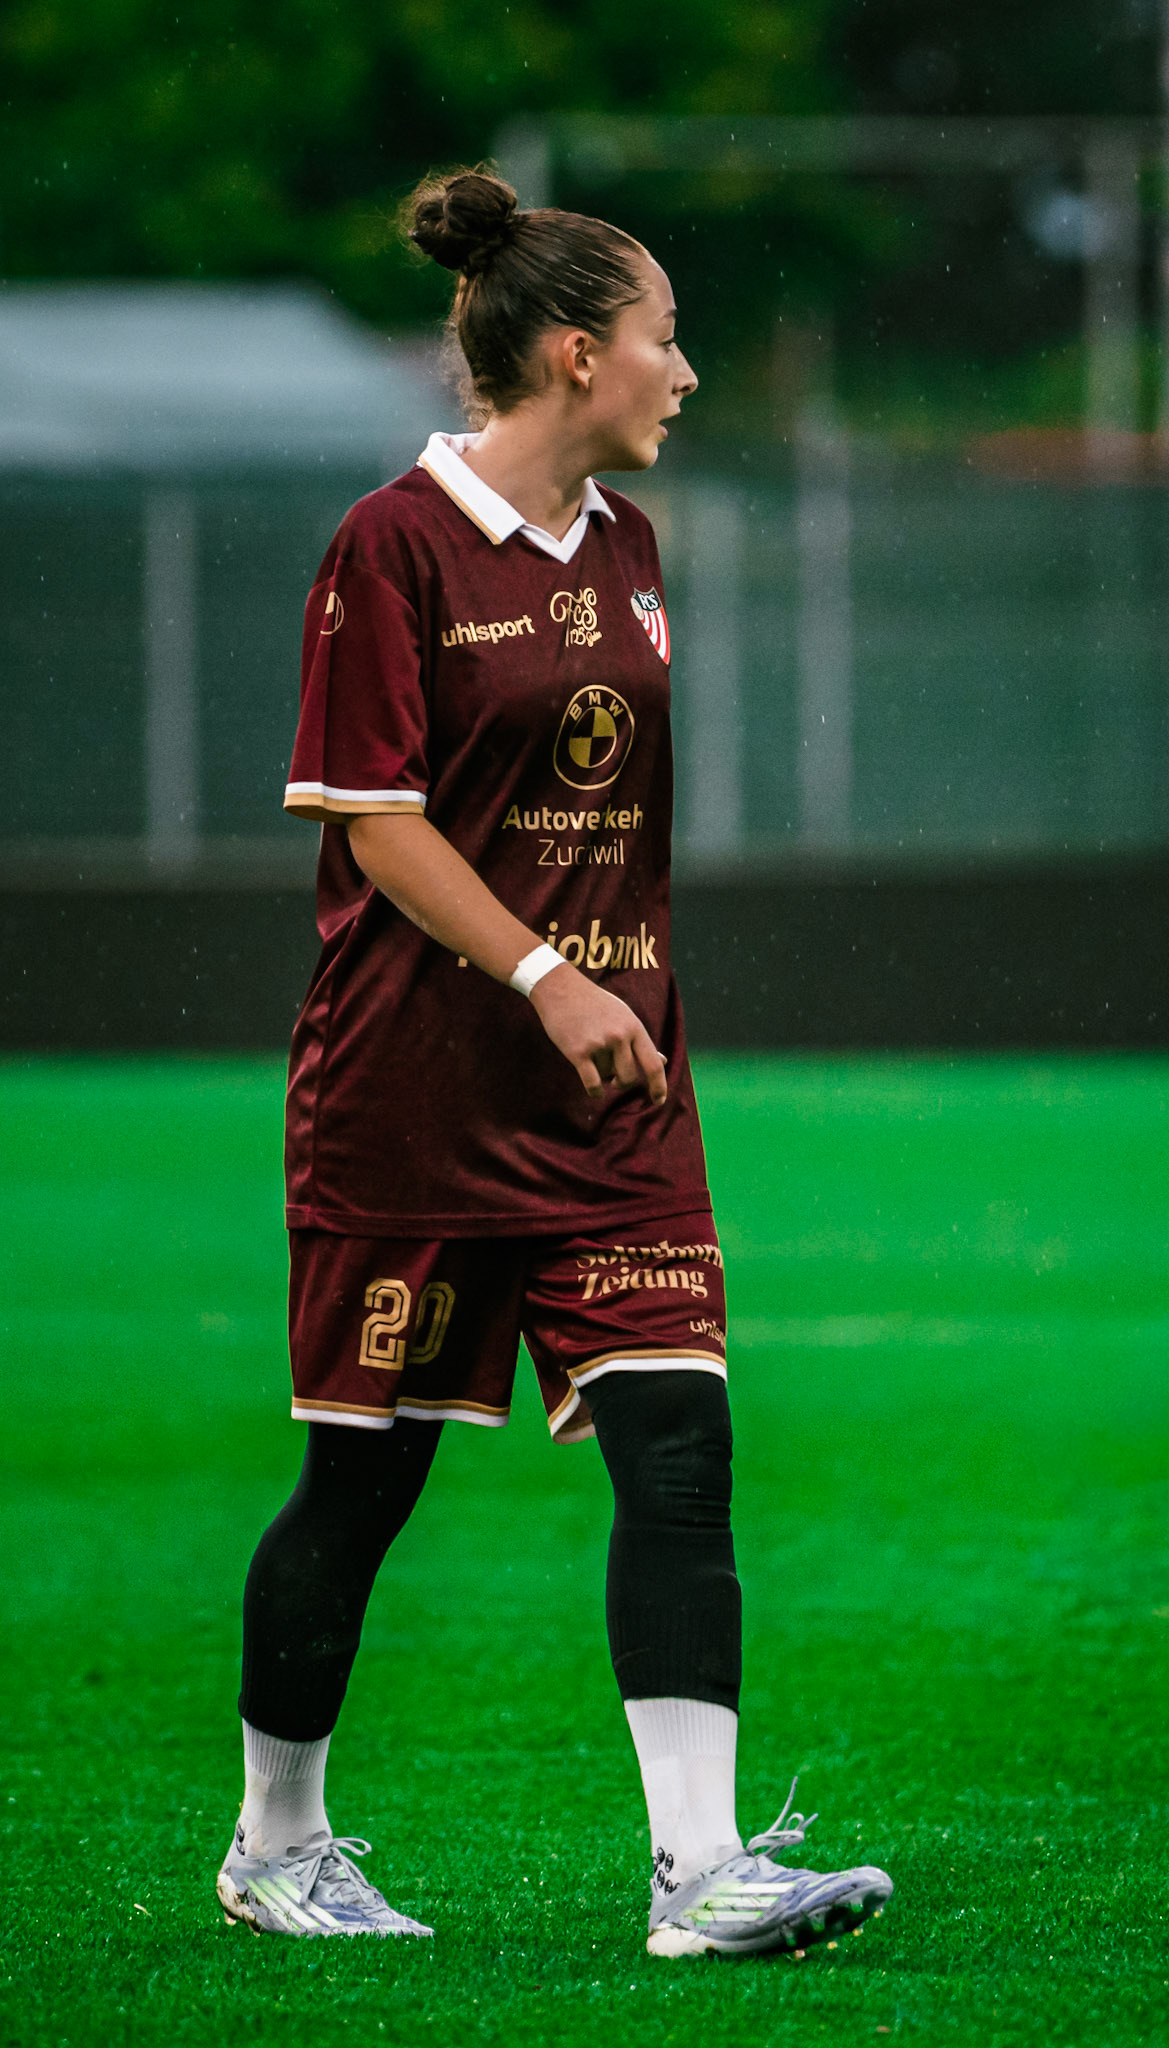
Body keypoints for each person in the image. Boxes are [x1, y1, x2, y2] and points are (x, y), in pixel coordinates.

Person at [214, 165, 893, 1958]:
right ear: (577, 351)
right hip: (414, 1102)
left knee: (680, 1445)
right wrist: (540, 975)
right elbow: (374, 822)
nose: (688, 370)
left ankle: (701, 1875)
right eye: (666, 339)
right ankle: (276, 1844)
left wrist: (612, 1003)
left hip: (611, 1104)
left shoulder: (632, 548)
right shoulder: (393, 545)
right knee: (362, 1485)